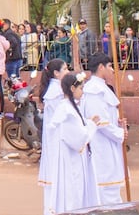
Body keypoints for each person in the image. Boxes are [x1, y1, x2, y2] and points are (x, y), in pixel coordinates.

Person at [43, 72, 100, 215]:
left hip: (75, 160)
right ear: (72, 89)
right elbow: (78, 139)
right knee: (73, 195)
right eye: (81, 88)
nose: (83, 92)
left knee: (77, 194)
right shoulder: (66, 111)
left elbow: (78, 126)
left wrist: (88, 122)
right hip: (71, 163)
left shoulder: (70, 107)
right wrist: (92, 125)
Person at [82, 53, 128, 204]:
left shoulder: (101, 87)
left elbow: (108, 116)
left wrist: (119, 122)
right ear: (101, 67)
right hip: (102, 144)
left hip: (110, 143)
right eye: (110, 66)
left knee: (112, 187)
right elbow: (100, 121)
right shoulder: (94, 89)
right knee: (106, 187)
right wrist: (120, 133)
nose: (113, 70)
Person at [38, 58, 69, 203]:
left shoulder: (58, 89)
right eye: (65, 69)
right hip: (56, 137)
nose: (68, 72)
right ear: (56, 73)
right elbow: (62, 117)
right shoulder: (56, 92)